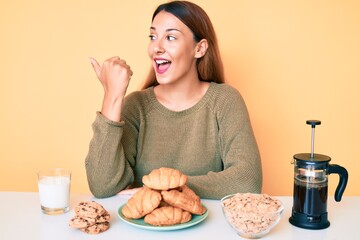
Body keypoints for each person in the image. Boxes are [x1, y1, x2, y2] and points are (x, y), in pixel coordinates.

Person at [85, 0, 262, 199]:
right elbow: (102, 186)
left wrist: (165, 188)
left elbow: (248, 180)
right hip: (144, 229)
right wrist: (112, 96)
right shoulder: (136, 106)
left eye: (170, 37)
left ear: (200, 49)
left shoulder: (225, 100)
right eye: (153, 36)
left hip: (208, 228)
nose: (156, 48)